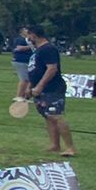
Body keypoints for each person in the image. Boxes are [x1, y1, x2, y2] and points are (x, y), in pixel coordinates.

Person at [25, 24, 76, 157]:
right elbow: (35, 70)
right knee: (48, 117)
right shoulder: (38, 50)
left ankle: (70, 147)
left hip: (53, 89)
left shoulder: (48, 49)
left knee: (56, 116)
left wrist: (40, 86)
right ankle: (55, 145)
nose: (28, 38)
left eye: (28, 35)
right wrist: (29, 87)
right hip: (39, 90)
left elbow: (52, 69)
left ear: (34, 35)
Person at [11, 27, 34, 101]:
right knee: (24, 79)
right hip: (20, 61)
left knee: (28, 79)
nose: (27, 31)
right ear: (21, 32)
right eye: (26, 30)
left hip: (26, 61)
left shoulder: (28, 39)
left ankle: (24, 97)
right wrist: (31, 46)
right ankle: (19, 96)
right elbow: (19, 48)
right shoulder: (20, 39)